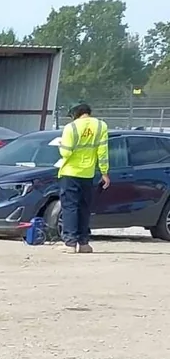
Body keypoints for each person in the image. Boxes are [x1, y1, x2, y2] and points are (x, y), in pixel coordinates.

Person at [54, 102, 110, 253]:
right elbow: (103, 152)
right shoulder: (101, 126)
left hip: (70, 173)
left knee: (70, 207)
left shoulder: (71, 128)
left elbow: (66, 153)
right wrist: (104, 173)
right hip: (88, 174)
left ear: (75, 113)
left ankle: (70, 243)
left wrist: (61, 144)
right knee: (84, 208)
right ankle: (84, 243)